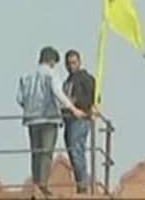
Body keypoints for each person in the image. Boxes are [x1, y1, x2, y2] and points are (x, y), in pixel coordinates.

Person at [16, 46, 88, 197]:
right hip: (48, 118)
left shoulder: (26, 76)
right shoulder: (51, 74)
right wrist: (73, 109)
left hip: (31, 119)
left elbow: (20, 99)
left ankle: (36, 183)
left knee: (35, 152)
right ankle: (42, 185)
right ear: (51, 61)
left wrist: (30, 107)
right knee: (46, 152)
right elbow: (58, 93)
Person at [61, 49, 97, 194]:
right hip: (69, 120)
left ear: (79, 62)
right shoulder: (68, 81)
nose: (71, 66)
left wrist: (75, 102)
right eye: (69, 64)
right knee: (73, 151)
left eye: (74, 63)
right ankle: (80, 183)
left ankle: (82, 184)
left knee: (77, 150)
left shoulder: (85, 78)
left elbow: (91, 97)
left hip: (80, 119)